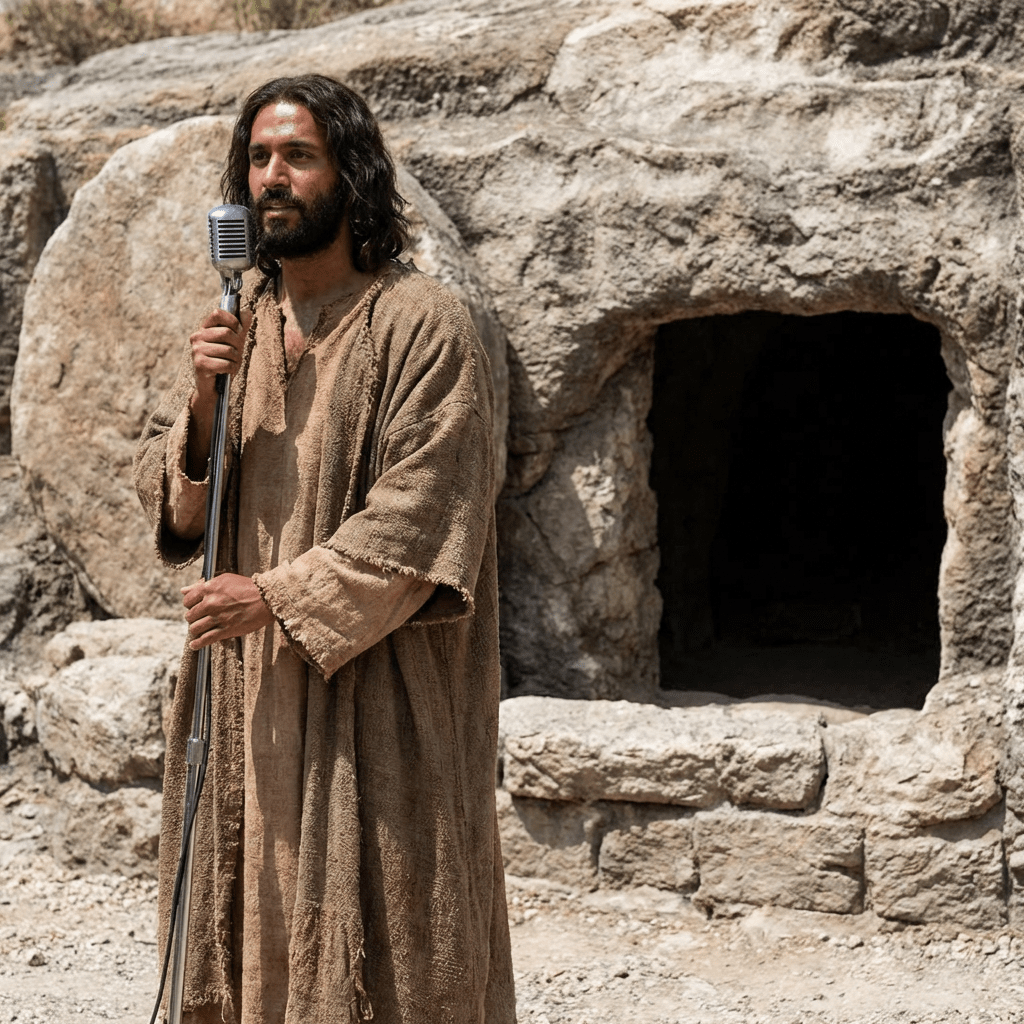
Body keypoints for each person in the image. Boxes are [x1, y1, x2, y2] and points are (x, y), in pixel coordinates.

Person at [134, 74, 515, 1024]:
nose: (273, 177)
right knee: (245, 923)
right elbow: (177, 510)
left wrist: (274, 593)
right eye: (258, 159)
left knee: (390, 940)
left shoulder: (423, 325)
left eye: (298, 157)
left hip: (377, 696)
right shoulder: (239, 326)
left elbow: (423, 517)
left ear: (351, 176)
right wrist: (202, 406)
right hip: (245, 696)